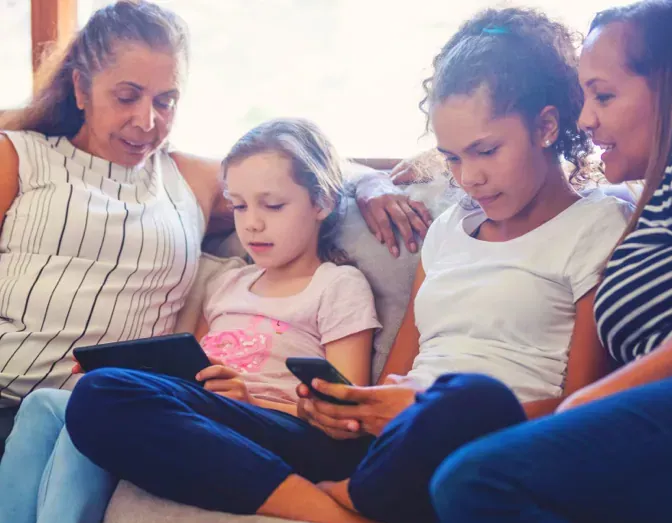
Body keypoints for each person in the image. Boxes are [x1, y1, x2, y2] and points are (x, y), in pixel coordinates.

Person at [64, 8, 632, 523]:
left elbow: (587, 404)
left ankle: (354, 495)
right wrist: (349, 407)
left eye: (485, 151)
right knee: (107, 395)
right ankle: (348, 512)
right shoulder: (447, 229)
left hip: (485, 436)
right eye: (453, 158)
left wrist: (423, 407)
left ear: (547, 126)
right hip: (382, 444)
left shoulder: (599, 226)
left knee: (468, 399)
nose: (469, 178)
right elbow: (390, 380)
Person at [0, 0, 422, 452]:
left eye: (166, 102)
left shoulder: (188, 178)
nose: (147, 121)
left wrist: (373, 183)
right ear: (81, 88)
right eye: (127, 97)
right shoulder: (19, 156)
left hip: (116, 406)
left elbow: (294, 169)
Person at [0, 116, 384, 523]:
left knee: (101, 394)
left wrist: (251, 401)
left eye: (272, 205)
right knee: (50, 402)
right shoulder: (227, 282)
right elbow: (191, 370)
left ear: (321, 202)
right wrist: (137, 374)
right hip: (211, 418)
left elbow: (345, 418)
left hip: (287, 426)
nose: (251, 222)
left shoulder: (337, 285)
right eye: (239, 205)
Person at [429, 1, 672, 523]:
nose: (584, 119)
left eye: (604, 95)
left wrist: (588, 402)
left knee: (475, 479)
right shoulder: (664, 193)